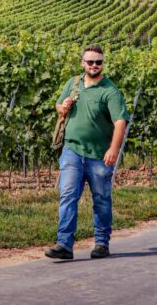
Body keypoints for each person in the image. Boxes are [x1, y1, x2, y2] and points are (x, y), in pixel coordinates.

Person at [46, 45, 130, 261]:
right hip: (72, 150)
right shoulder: (72, 84)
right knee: (68, 195)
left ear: (103, 64)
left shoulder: (110, 91)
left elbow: (120, 122)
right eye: (90, 61)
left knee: (101, 199)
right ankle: (64, 244)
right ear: (83, 63)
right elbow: (58, 106)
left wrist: (113, 149)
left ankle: (101, 242)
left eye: (98, 62)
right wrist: (62, 106)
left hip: (99, 154)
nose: (94, 65)